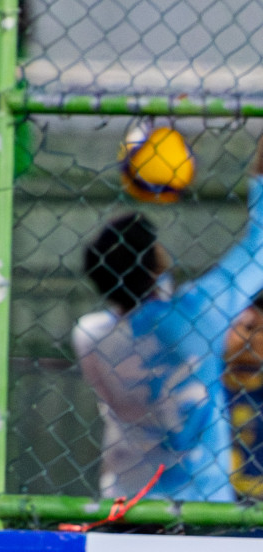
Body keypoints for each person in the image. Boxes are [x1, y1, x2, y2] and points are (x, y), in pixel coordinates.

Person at [75, 133, 263, 503]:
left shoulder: (89, 336)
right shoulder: (196, 314)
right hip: (201, 503)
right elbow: (259, 243)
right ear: (155, 264)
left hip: (128, 501)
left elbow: (134, 310)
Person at [222, 292, 263, 499]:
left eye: (261, 330)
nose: (252, 339)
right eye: (247, 327)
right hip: (208, 505)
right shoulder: (203, 386)